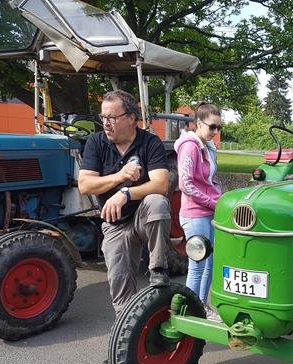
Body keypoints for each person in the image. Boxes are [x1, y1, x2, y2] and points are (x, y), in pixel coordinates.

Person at [78, 90, 171, 317]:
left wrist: (127, 193)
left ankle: (158, 267)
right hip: (115, 223)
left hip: (142, 217)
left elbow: (161, 185)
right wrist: (120, 177)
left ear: (131, 118)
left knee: (157, 202)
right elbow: (85, 185)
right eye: (103, 117)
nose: (106, 123)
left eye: (112, 117)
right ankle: (132, 337)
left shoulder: (150, 142)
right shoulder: (96, 142)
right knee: (120, 294)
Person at [174, 103, 222, 318]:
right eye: (212, 127)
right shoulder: (190, 146)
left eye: (218, 128)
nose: (215, 132)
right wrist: (214, 203)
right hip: (195, 214)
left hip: (209, 212)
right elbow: (186, 184)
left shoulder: (208, 147)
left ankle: (201, 305)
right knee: (198, 264)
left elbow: (209, 181)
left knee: (210, 261)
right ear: (199, 123)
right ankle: (188, 312)